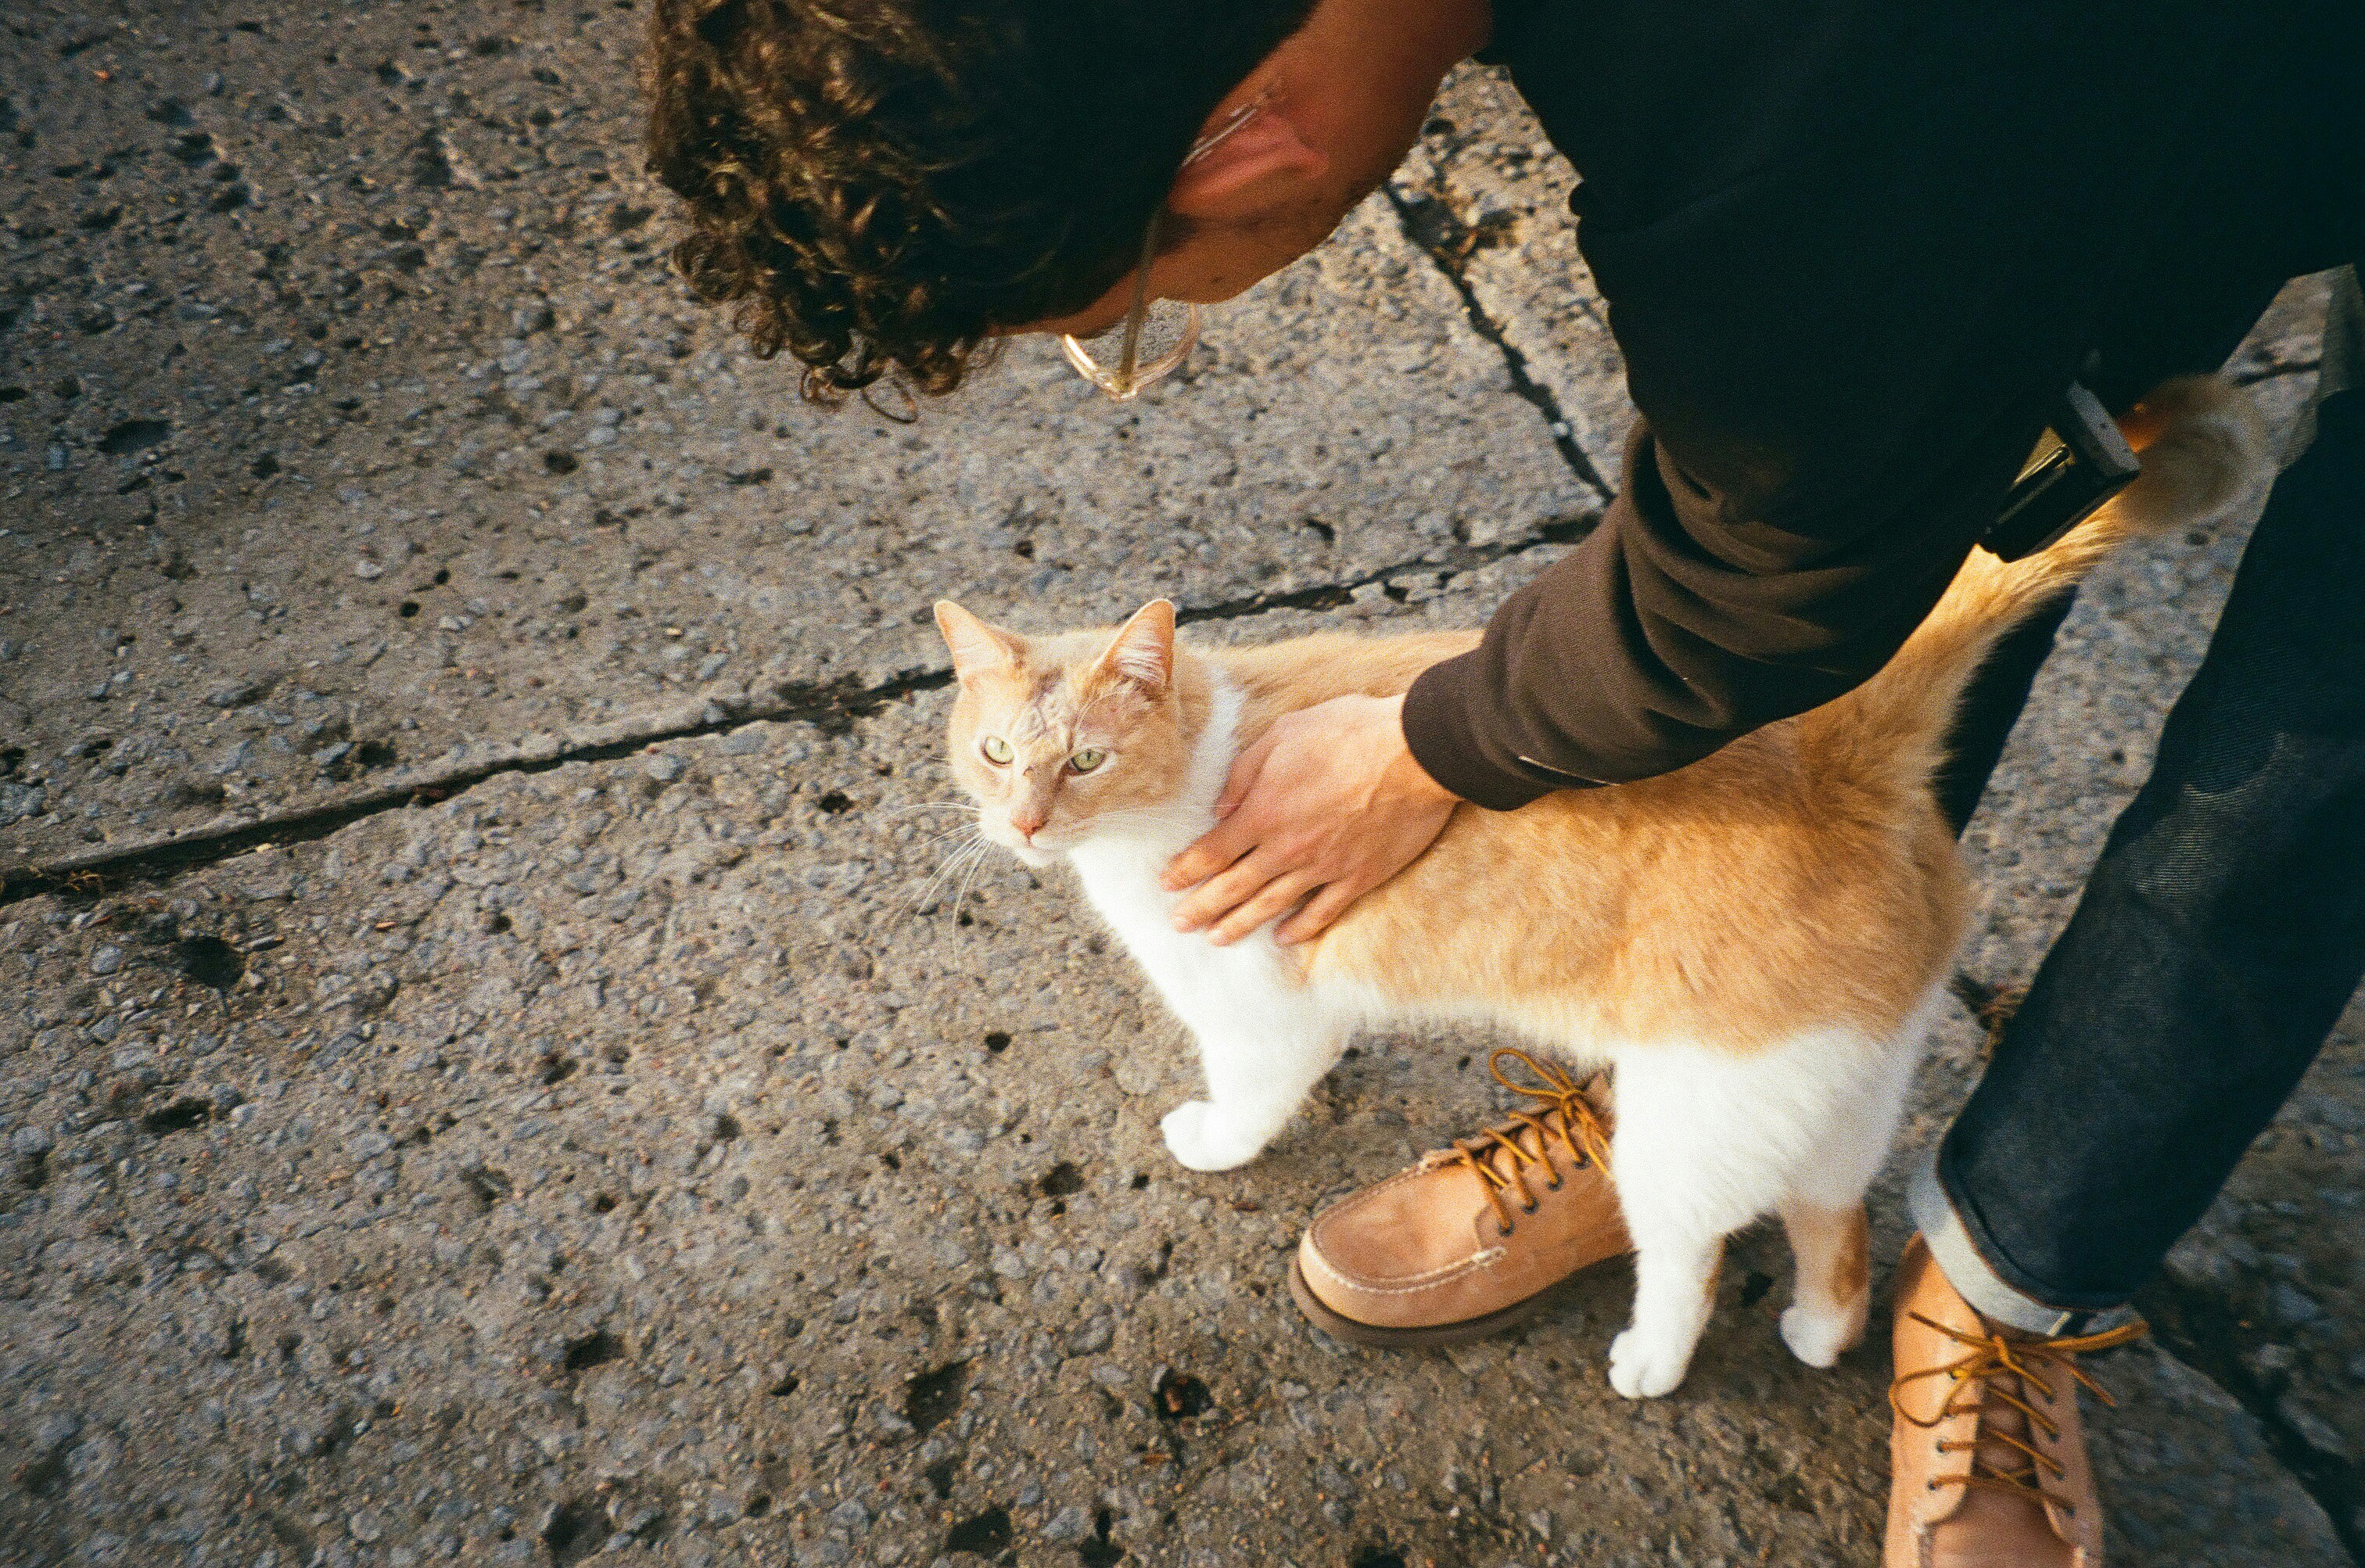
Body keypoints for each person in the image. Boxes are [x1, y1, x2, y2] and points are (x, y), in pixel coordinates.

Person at [643, 0, 2365, 1559]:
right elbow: (1867, 432)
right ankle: (1674, 1051)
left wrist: (1435, 737)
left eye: (1134, 320)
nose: (1153, 341)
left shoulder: (1782, 120)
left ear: (1247, 139)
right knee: (1996, 454)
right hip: (2134, 78)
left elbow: (1765, 561)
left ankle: (2009, 1275)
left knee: (2313, 748)